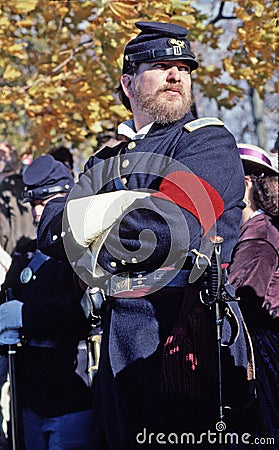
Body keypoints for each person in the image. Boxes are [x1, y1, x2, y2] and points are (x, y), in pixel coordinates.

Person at [37, 22, 249, 449]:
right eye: (161, 65)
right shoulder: (109, 156)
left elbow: (167, 228)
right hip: (116, 353)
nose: (176, 75)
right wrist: (126, 209)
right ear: (128, 82)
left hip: (186, 349)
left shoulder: (208, 143)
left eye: (183, 67)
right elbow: (49, 230)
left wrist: (100, 215)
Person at [0, 155, 95, 450]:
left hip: (70, 393)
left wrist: (26, 315)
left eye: (46, 202)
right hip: (29, 394)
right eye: (33, 204)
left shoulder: (84, 249)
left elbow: (82, 307)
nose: (38, 211)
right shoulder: (25, 253)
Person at [228, 143, 279, 444]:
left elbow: (244, 303)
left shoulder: (259, 232)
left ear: (245, 184)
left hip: (263, 352)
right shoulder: (265, 227)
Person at [0, 142, 35, 256]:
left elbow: (2, 231)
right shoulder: (30, 186)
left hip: (9, 260)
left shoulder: (3, 191)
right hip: (33, 256)